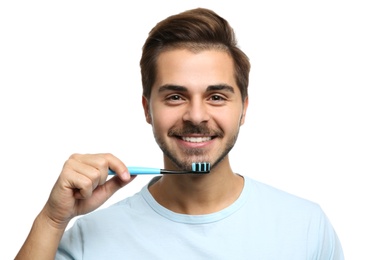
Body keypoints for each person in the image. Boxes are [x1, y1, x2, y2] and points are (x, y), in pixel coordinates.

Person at [16, 7, 344, 260]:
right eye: (175, 96)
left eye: (216, 96)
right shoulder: (90, 238)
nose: (197, 116)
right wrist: (52, 219)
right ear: (147, 109)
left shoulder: (306, 227)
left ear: (243, 108)